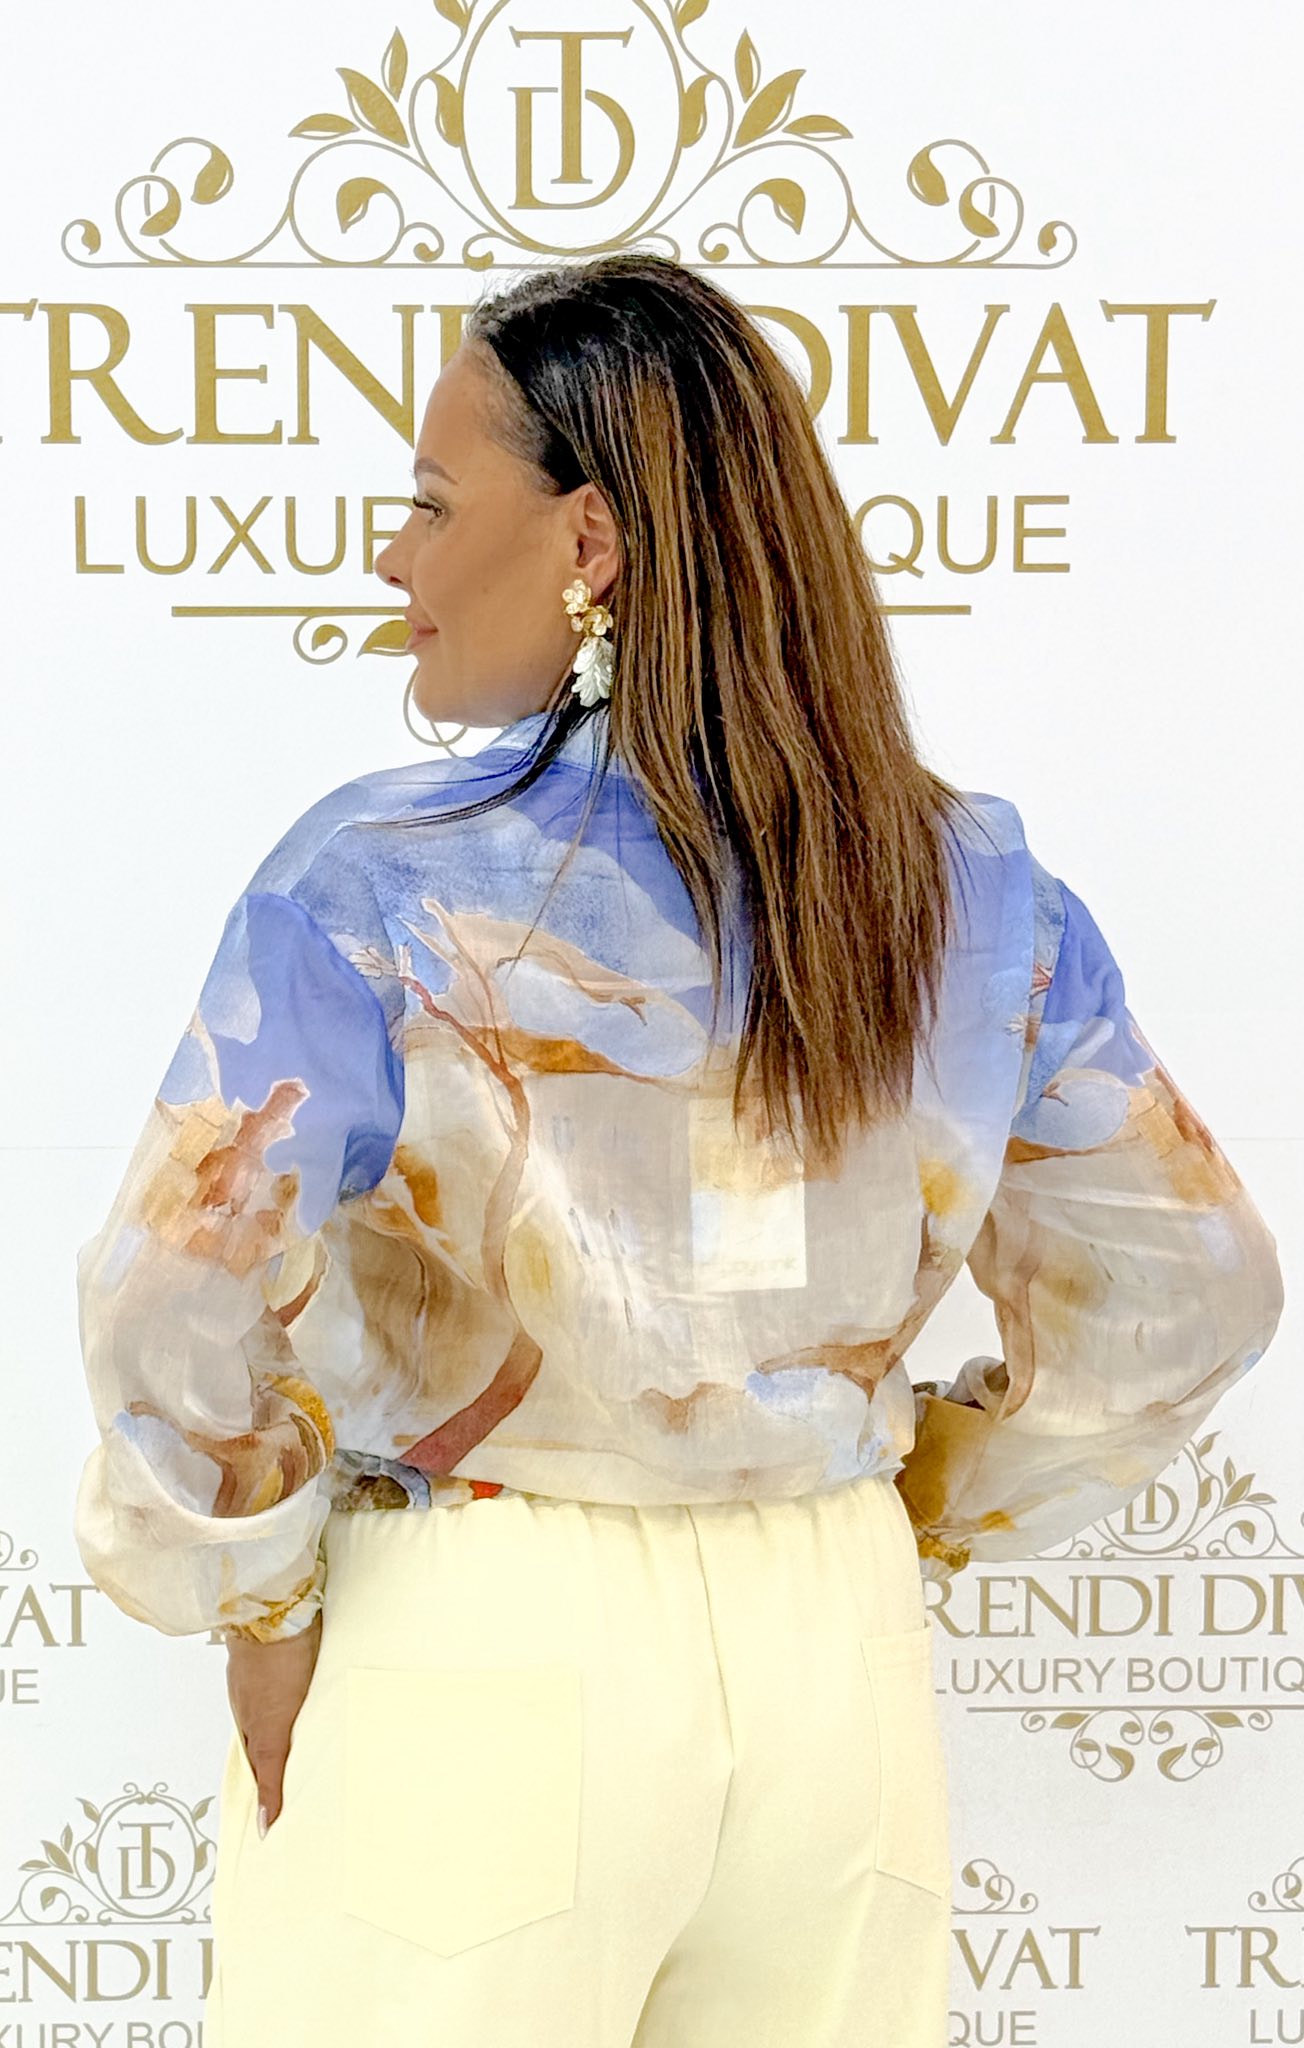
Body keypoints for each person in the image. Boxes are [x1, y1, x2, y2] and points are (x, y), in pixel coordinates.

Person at [71, 252, 1284, 2048]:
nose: (394, 559)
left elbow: (169, 1296)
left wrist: (253, 1591)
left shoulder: (385, 884)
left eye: (431, 501)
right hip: (840, 1658)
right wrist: (913, 1502)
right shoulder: (972, 890)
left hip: (484, 1637)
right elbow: (1194, 1291)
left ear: (593, 541)